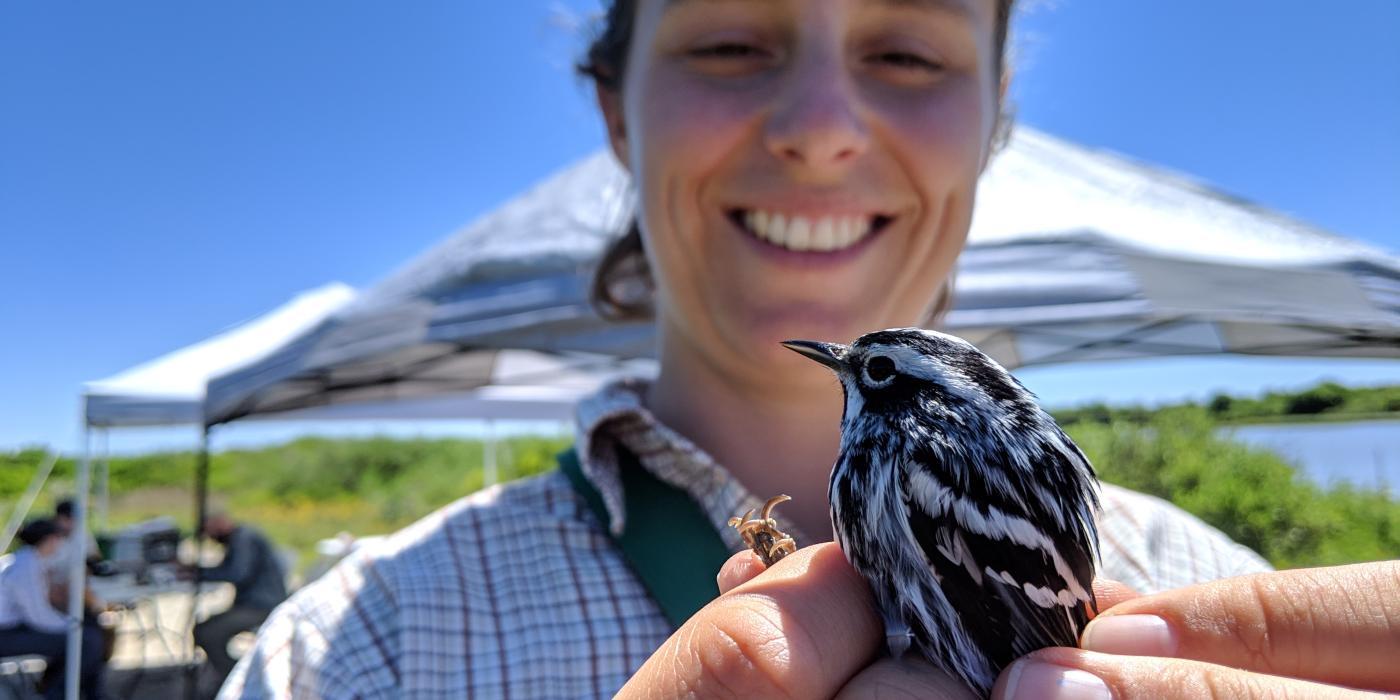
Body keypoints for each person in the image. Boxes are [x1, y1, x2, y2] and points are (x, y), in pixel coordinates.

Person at [221, 1, 1400, 697]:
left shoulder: (1207, 589)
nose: (820, 134)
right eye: (732, 39)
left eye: (906, 52)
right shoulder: (355, 650)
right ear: (614, 114)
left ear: (993, 122)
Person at [0, 519, 107, 700]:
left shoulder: (27, 560)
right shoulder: (24, 568)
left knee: (85, 636)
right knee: (86, 641)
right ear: (49, 539)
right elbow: (38, 616)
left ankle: (62, 690)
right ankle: (57, 694)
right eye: (58, 538)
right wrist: (71, 625)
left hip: (13, 630)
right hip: (6, 636)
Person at [187, 513, 287, 690]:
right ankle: (232, 675)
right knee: (207, 627)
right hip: (255, 604)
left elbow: (237, 573)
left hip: (261, 607)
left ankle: (235, 679)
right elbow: (229, 569)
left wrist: (198, 574)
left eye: (209, 533)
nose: (211, 538)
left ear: (218, 524)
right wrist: (198, 571)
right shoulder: (240, 537)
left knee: (207, 633)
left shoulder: (244, 538)